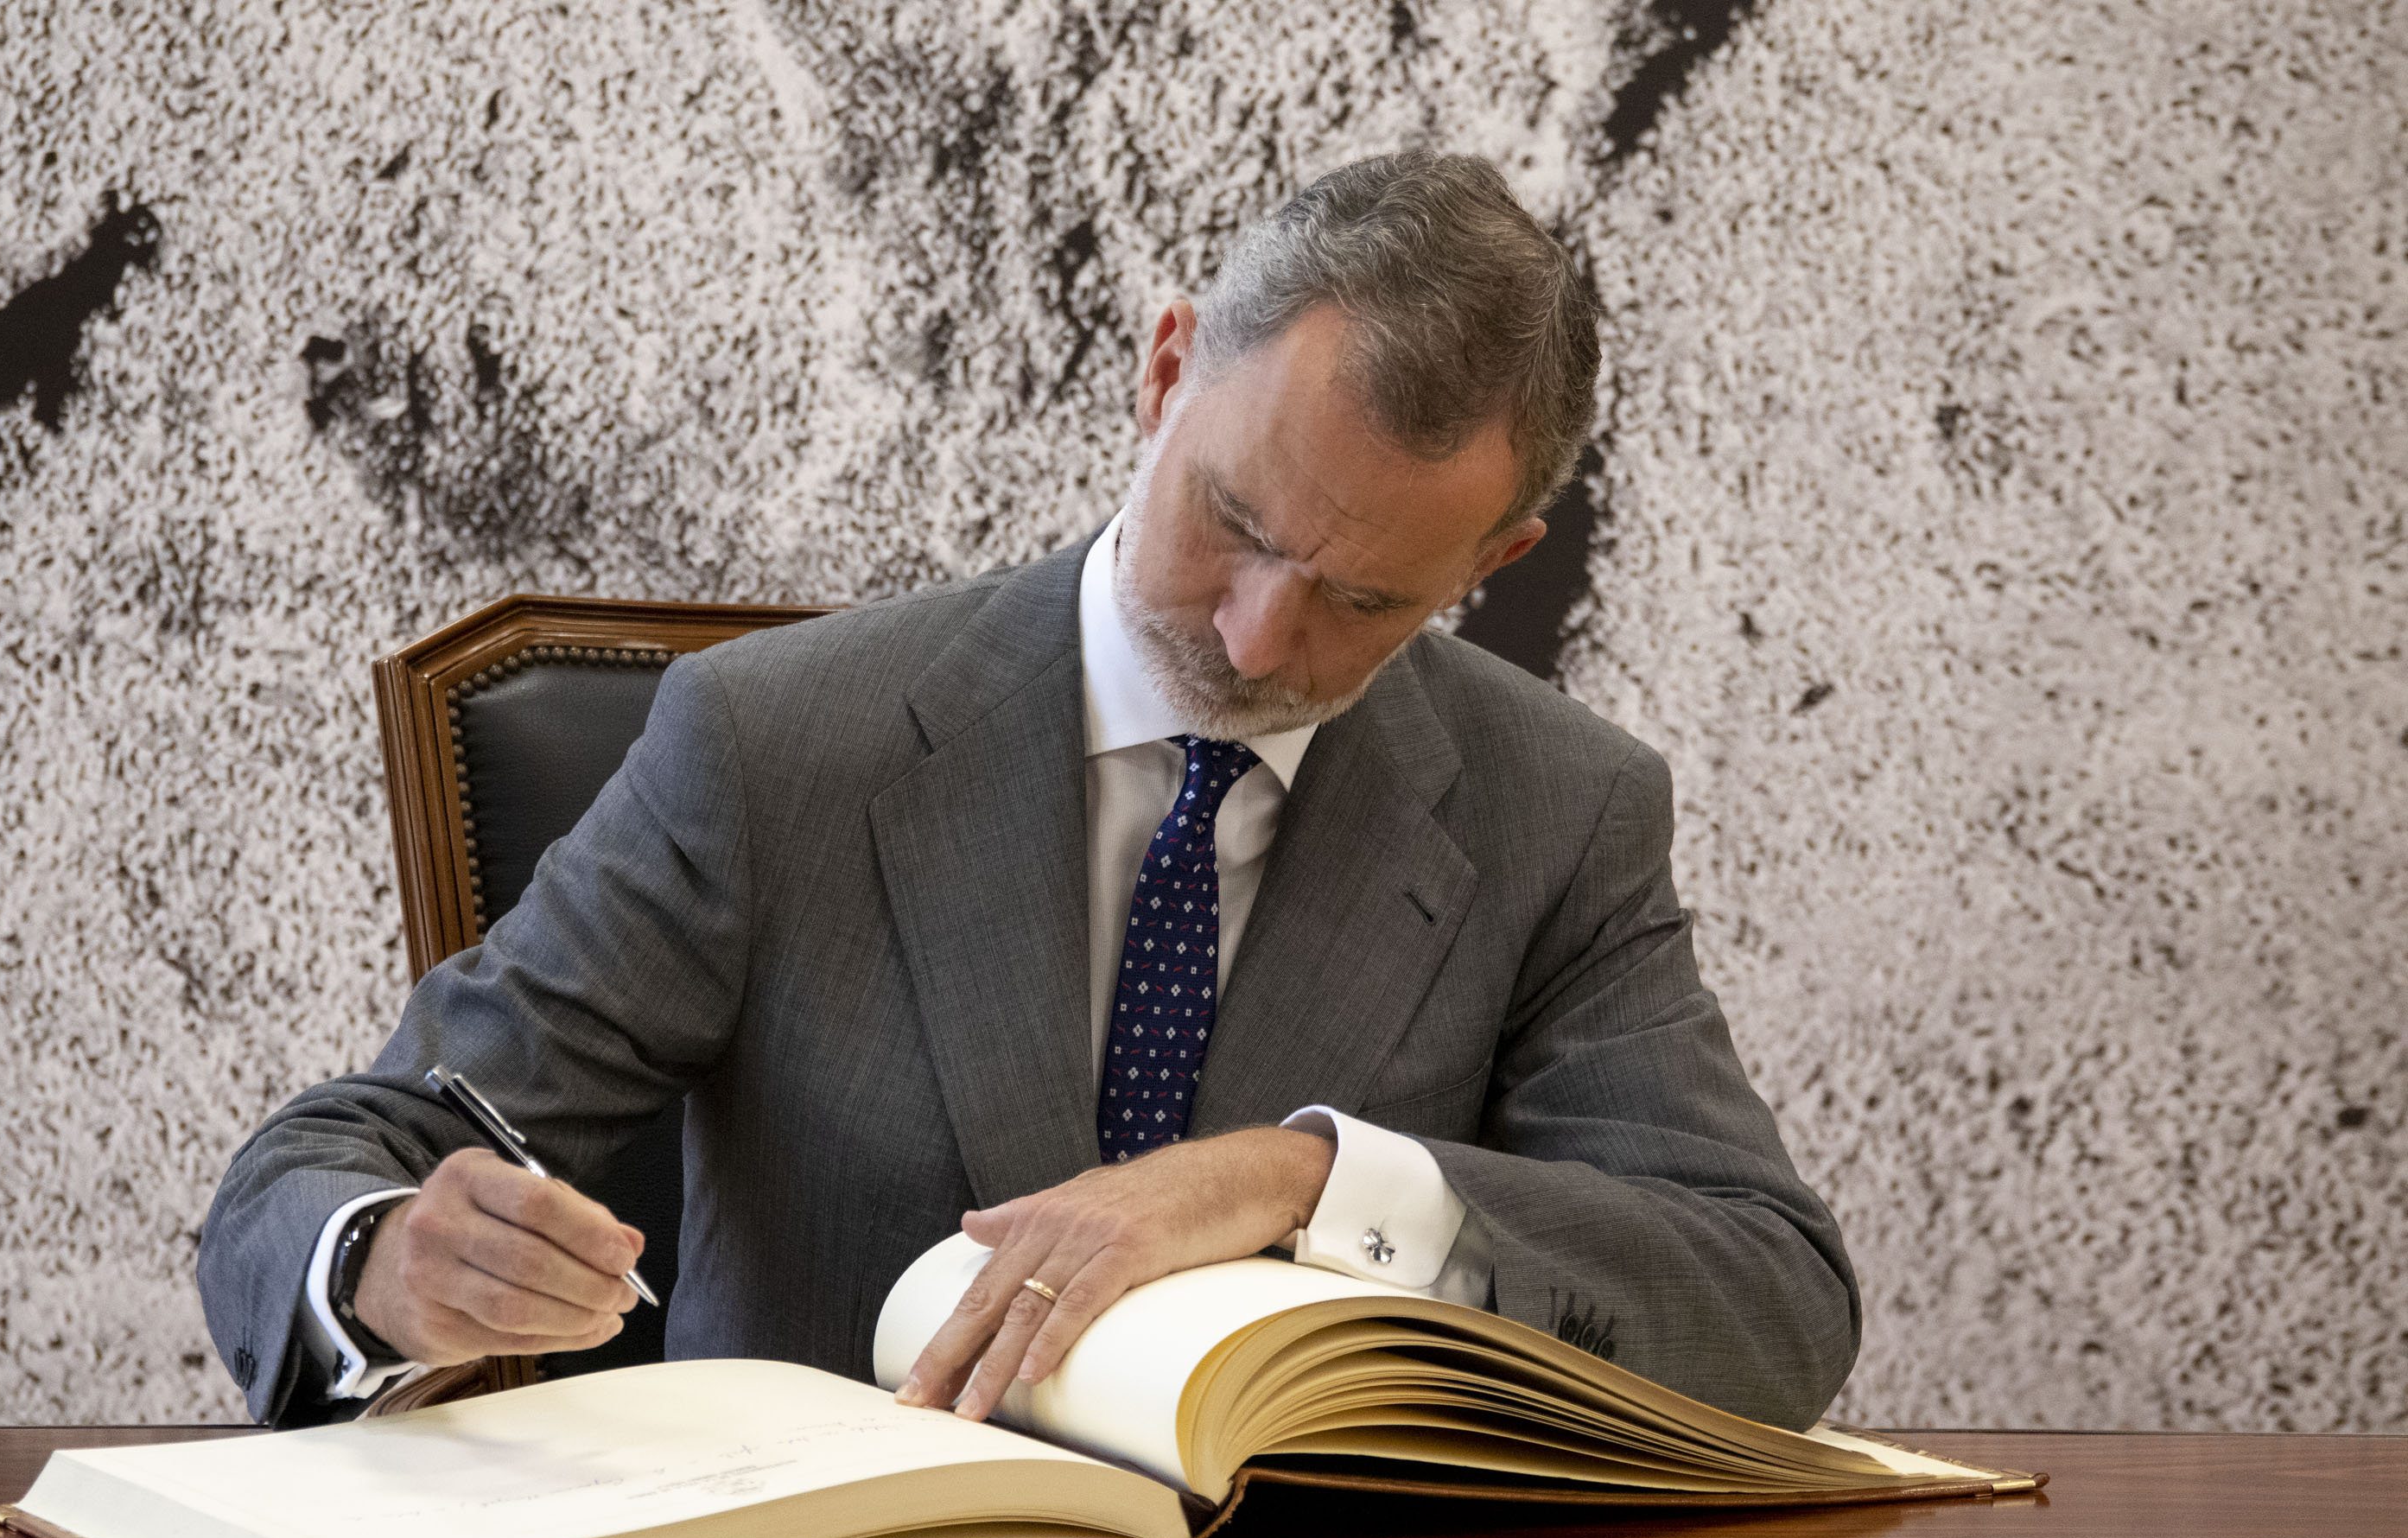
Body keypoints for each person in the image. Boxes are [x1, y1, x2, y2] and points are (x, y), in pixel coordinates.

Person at [199, 152, 1860, 1433]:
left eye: (1365, 600)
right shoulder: (774, 744)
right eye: (1236, 523)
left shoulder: (1560, 810)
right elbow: (341, 1154)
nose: (1256, 637)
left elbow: (1770, 1300)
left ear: (1494, 561)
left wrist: (1298, 1180)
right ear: (1165, 371)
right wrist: (389, 1261)